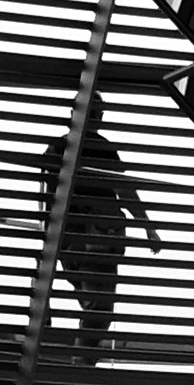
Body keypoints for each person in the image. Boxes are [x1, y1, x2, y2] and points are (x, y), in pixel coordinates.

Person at [33, 109, 159, 366]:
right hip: (82, 239)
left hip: (102, 237)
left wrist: (147, 226)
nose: (97, 118)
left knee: (102, 310)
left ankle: (84, 363)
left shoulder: (98, 148)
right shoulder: (62, 148)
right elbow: (47, 193)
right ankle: (81, 365)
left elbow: (123, 189)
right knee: (97, 306)